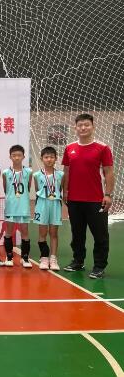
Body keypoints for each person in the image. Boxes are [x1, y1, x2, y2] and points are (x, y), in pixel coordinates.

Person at [62, 113, 114, 279]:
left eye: (86, 125)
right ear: (75, 128)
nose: (83, 128)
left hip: (96, 200)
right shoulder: (69, 148)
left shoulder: (103, 148)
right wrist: (65, 191)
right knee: (77, 234)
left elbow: (109, 172)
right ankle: (78, 261)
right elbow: (66, 172)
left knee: (100, 235)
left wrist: (108, 194)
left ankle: (99, 266)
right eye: (80, 125)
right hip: (74, 200)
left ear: (93, 126)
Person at [33, 147, 64, 271]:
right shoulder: (36, 175)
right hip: (42, 204)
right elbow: (37, 190)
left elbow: (60, 189)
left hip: (55, 204)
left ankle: (53, 258)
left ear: (56, 158)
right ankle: (44, 257)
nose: (49, 159)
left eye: (52, 157)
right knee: (42, 233)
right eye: (46, 157)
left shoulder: (61, 175)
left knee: (54, 233)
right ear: (42, 158)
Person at [2, 145, 33, 268]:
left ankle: (25, 258)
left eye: (19, 155)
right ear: (10, 157)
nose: (16, 157)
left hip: (23, 206)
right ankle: (9, 256)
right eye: (14, 155)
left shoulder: (29, 172)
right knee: (9, 232)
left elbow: (28, 187)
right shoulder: (6, 172)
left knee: (25, 232)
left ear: (23, 156)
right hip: (11, 206)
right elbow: (6, 189)